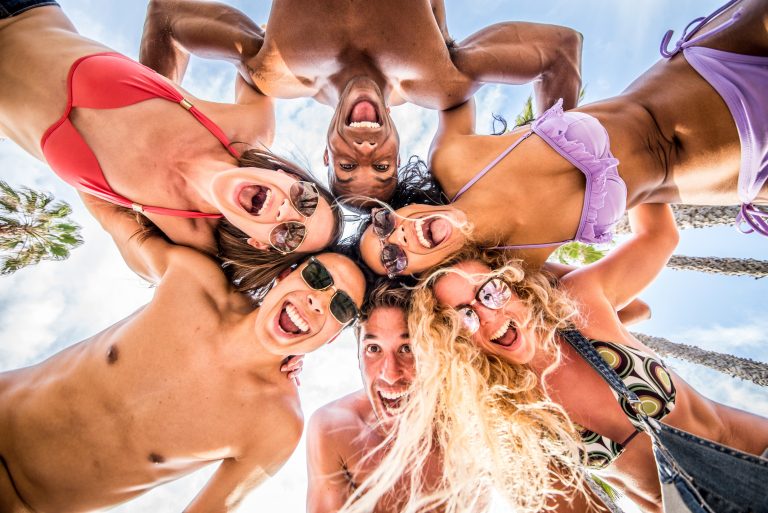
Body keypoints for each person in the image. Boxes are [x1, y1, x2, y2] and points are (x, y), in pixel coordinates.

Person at [347, 203, 768, 513]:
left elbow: (658, 236)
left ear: (515, 284)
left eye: (491, 292)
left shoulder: (581, 306)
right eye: (465, 316)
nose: (488, 316)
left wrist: (626, 145)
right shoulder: (513, 415)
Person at [0, 193, 366, 513]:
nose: (318, 302)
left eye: (341, 307)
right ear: (286, 275)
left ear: (332, 337)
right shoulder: (193, 280)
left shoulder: (276, 425)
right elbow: (110, 212)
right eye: (318, 277)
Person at [358, 0, 768, 276]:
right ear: (420, 276)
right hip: (744, 170)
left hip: (713, 62)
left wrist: (557, 123)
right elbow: (624, 307)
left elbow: (446, 55)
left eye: (383, 223)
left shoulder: (453, 158)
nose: (398, 236)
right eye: (392, 257)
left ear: (402, 206)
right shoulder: (519, 270)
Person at [0, 1, 342, 278]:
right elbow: (168, 11)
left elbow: (174, 283)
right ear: (288, 176)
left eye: (290, 235)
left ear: (260, 244)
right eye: (305, 200)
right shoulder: (247, 128)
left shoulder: (182, 240)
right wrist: (154, 84)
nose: (286, 210)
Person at [139, 0, 583, 209]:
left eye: (347, 167)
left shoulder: (273, 70)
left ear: (327, 154)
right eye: (382, 167)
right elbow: (560, 50)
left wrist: (150, 124)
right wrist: (556, 165)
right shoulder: (442, 81)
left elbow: (167, 17)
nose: (365, 152)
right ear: (397, 152)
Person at [307, 279, 425, 513]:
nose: (390, 374)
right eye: (374, 349)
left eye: (407, 348)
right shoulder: (334, 429)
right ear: (358, 356)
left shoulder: (470, 426)